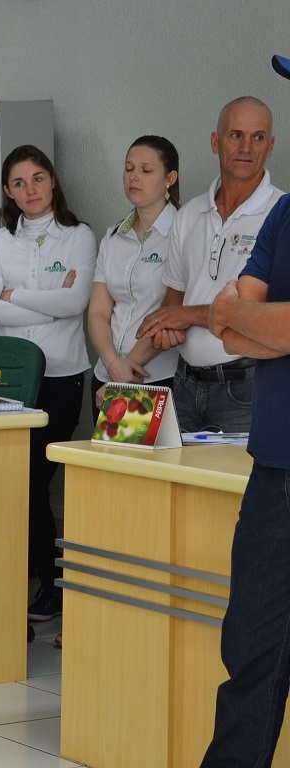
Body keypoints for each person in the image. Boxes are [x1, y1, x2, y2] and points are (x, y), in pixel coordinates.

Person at [200, 56, 290, 768]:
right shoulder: (287, 213)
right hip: (276, 465)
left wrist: (252, 319)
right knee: (250, 648)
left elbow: (261, 323)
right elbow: (227, 323)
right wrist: (255, 321)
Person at [0, 144, 96, 624]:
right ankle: (27, 573)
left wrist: (13, 296)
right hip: (10, 381)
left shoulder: (79, 236)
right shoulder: (1, 240)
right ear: (8, 191)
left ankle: (52, 584)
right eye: (19, 183)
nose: (31, 190)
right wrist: (48, 302)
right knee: (12, 481)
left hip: (62, 377)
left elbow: (76, 304)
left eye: (38, 178)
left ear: (53, 180)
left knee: (33, 481)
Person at [137, 97, 282, 433]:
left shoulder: (281, 214)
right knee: (173, 470)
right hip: (185, 383)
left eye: (258, 137)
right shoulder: (189, 213)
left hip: (247, 388)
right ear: (216, 142)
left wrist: (185, 315)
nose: (246, 148)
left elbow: (266, 314)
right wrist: (166, 329)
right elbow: (175, 299)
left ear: (271, 146)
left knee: (239, 473)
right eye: (236, 135)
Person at [88, 136, 181, 421]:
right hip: (106, 374)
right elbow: (98, 312)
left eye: (146, 170)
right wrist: (112, 363)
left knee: (141, 453)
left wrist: (124, 371)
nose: (134, 177)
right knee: (103, 452)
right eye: (129, 169)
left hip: (151, 379)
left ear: (170, 178)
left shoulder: (182, 233)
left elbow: (172, 312)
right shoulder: (114, 236)